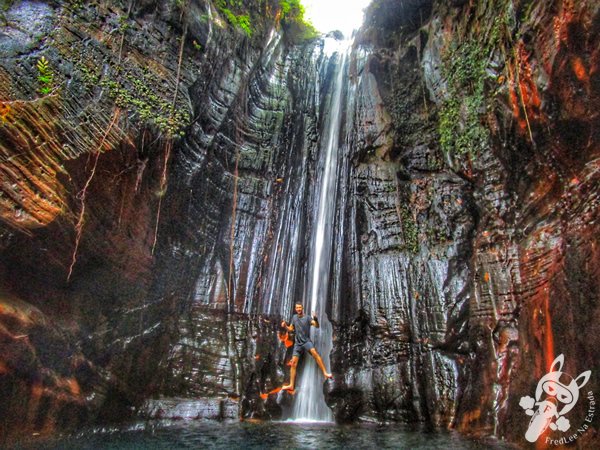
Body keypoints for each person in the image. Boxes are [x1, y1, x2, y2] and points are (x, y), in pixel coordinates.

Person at [281, 302, 332, 391]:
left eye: (300, 307)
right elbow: (291, 329)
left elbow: (317, 325)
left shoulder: (308, 318)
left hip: (306, 342)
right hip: (298, 344)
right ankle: (291, 385)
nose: (298, 309)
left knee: (315, 354)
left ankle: (325, 373)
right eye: (297, 308)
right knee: (293, 364)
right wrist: (285, 326)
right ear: (295, 309)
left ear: (302, 308)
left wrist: (315, 319)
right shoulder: (294, 317)